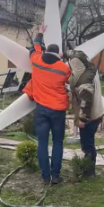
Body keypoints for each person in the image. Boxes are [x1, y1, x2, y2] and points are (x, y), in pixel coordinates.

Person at [28, 25, 71, 185]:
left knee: (42, 143)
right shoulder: (64, 68)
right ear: (58, 54)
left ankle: (45, 177)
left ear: (46, 52)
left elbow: (35, 48)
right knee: (58, 142)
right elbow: (70, 80)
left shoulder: (37, 61)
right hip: (58, 111)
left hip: (41, 110)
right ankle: (55, 176)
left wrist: (40, 33)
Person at [66, 48, 104, 178]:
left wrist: (82, 119)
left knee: (87, 145)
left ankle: (89, 172)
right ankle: (89, 170)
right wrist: (65, 53)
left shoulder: (84, 80)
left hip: (90, 117)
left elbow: (86, 102)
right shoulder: (91, 70)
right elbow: (74, 54)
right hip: (97, 114)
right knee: (89, 143)